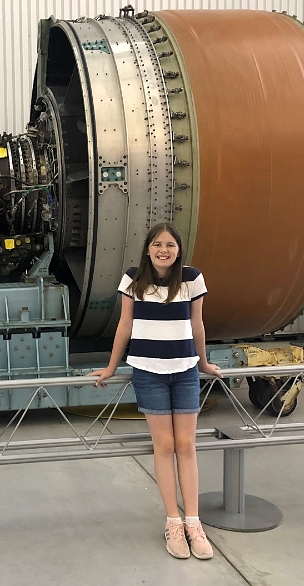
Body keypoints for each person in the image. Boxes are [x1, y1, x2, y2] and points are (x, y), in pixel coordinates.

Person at [89, 222, 223, 560]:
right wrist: (111, 366)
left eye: (170, 245)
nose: (164, 250)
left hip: (185, 371)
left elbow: (197, 324)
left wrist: (204, 362)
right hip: (148, 373)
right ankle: (173, 522)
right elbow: (125, 325)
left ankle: (193, 522)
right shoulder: (133, 279)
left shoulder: (191, 279)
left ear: (178, 250)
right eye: (158, 244)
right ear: (148, 249)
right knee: (164, 446)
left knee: (186, 445)